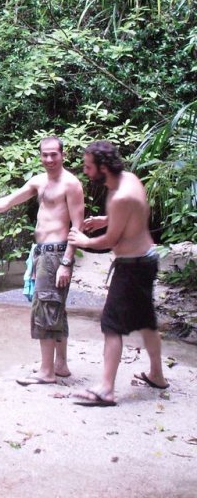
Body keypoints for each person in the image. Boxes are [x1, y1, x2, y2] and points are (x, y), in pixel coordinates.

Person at [0, 137, 85, 385]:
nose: (49, 159)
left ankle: (46, 373)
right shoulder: (38, 182)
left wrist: (66, 262)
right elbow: (7, 202)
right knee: (56, 307)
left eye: (54, 154)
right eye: (45, 155)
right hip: (42, 251)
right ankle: (61, 365)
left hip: (57, 252)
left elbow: (77, 227)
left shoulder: (71, 184)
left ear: (63, 155)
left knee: (46, 306)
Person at [67, 140, 168, 407]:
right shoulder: (129, 180)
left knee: (111, 326)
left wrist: (83, 241)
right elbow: (132, 217)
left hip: (132, 267)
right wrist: (105, 219)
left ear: (102, 167)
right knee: (147, 321)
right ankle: (157, 374)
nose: (86, 172)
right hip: (145, 260)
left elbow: (111, 241)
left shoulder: (120, 196)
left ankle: (107, 390)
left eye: (89, 167)